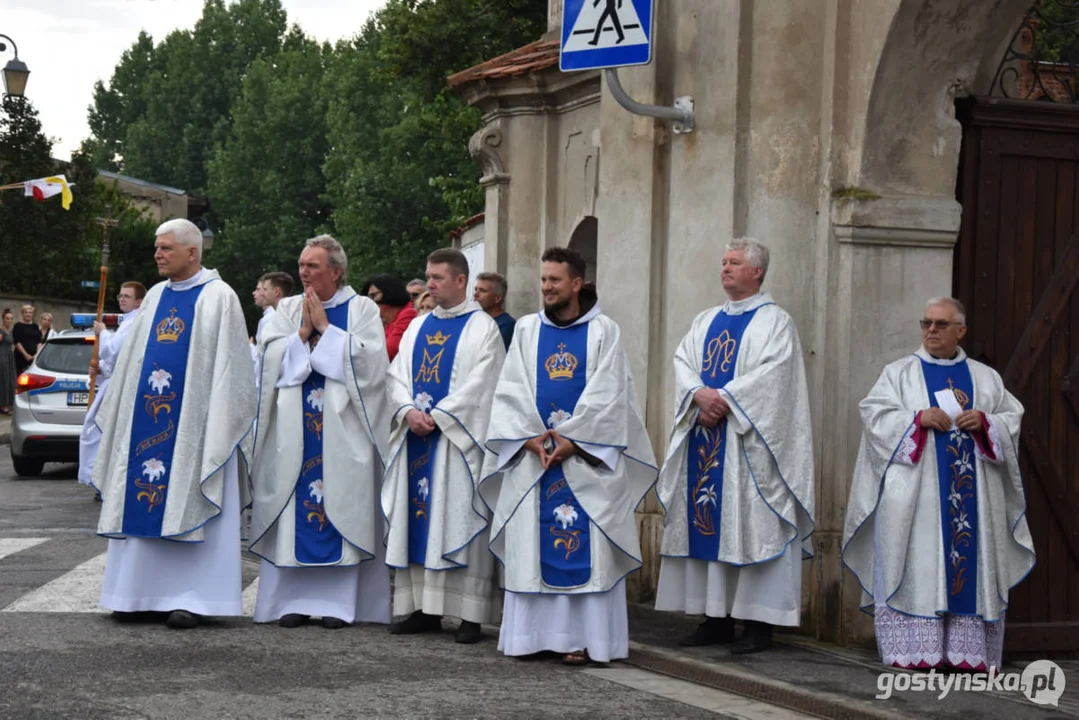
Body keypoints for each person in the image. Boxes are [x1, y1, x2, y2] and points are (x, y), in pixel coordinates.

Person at [480, 247, 656, 665]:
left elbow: (610, 395)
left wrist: (572, 441)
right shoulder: (526, 329)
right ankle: (531, 637)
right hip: (534, 460)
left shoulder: (604, 331)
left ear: (576, 283)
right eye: (543, 280)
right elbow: (510, 390)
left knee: (585, 552)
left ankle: (583, 639)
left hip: (583, 462)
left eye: (554, 280)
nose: (546, 287)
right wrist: (530, 440)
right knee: (533, 548)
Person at [842, 297, 1035, 671]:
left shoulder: (985, 377)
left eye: (941, 324)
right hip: (919, 498)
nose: (931, 330)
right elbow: (874, 415)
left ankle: (967, 655)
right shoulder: (898, 374)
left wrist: (986, 423)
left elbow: (1011, 418)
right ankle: (917, 652)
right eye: (926, 323)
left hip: (974, 499)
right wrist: (916, 419)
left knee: (966, 567)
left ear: (960, 331)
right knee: (922, 564)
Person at [91, 218, 256, 630]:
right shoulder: (156, 297)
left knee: (190, 497)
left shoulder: (219, 297)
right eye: (156, 247)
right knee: (142, 496)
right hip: (146, 424)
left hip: (195, 430)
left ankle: (195, 599)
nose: (157, 254)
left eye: (165, 248)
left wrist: (216, 422)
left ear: (192, 252)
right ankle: (135, 594)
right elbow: (132, 364)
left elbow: (233, 371)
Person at [653, 238, 815, 655]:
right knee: (712, 524)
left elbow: (776, 376)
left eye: (735, 263)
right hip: (706, 437)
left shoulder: (776, 322)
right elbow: (683, 361)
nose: (725, 269)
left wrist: (724, 399)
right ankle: (716, 618)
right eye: (723, 262)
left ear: (757, 271)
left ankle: (761, 623)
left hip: (750, 447)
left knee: (753, 527)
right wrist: (697, 396)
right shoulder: (706, 319)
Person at [250, 235, 391, 630]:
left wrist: (327, 330)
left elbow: (372, 364)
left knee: (342, 506)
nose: (304, 272)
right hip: (295, 429)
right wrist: (300, 335)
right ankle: (290, 601)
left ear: (337, 271)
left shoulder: (361, 308)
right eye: (301, 264)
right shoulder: (288, 308)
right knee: (294, 509)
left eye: (313, 265)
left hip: (343, 433)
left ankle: (338, 605)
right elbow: (267, 357)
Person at [382, 248, 505, 644]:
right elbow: (396, 374)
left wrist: (441, 416)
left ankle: (470, 614)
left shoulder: (483, 328)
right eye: (428, 276)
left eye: (437, 278)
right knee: (419, 520)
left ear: (460, 281)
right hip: (416, 438)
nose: (429, 284)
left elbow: (485, 383)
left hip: (456, 443)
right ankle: (422, 609)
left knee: (457, 516)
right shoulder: (418, 327)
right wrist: (406, 411)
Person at [78, 282, 147, 489]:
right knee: (96, 429)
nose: (122, 299)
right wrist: (101, 369)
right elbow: (116, 360)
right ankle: (97, 477)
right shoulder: (127, 321)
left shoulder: (136, 322)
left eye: (127, 296)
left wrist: (102, 332)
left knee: (99, 430)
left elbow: (113, 350)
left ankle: (100, 479)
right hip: (113, 383)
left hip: (121, 388)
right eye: (120, 295)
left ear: (139, 301)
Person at [363, 274, 417, 362]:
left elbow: (388, 351)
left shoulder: (408, 314)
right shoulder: (389, 320)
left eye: (373, 296)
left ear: (389, 292)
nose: (370, 302)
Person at [473, 272, 516, 350]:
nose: (475, 294)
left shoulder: (507, 326)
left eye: (482, 291)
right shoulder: (476, 321)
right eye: (476, 289)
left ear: (497, 298)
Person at [253, 271, 294, 344]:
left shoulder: (281, 319)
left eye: (265, 289)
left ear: (276, 292)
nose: (262, 293)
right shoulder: (287, 315)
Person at [12, 304, 42, 375]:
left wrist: (37, 354)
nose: (28, 314)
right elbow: (17, 342)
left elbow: (39, 341)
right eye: (26, 312)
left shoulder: (35, 326)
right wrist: (26, 355)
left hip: (34, 358)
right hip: (21, 357)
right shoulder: (18, 326)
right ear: (22, 313)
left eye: (30, 312)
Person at [0, 309, 14, 414]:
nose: (9, 320)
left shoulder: (10, 331)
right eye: (7, 318)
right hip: (2, 358)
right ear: (3, 319)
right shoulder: (1, 331)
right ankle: (3, 406)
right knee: (3, 380)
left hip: (9, 358)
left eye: (10, 319)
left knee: (9, 380)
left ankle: (7, 404)